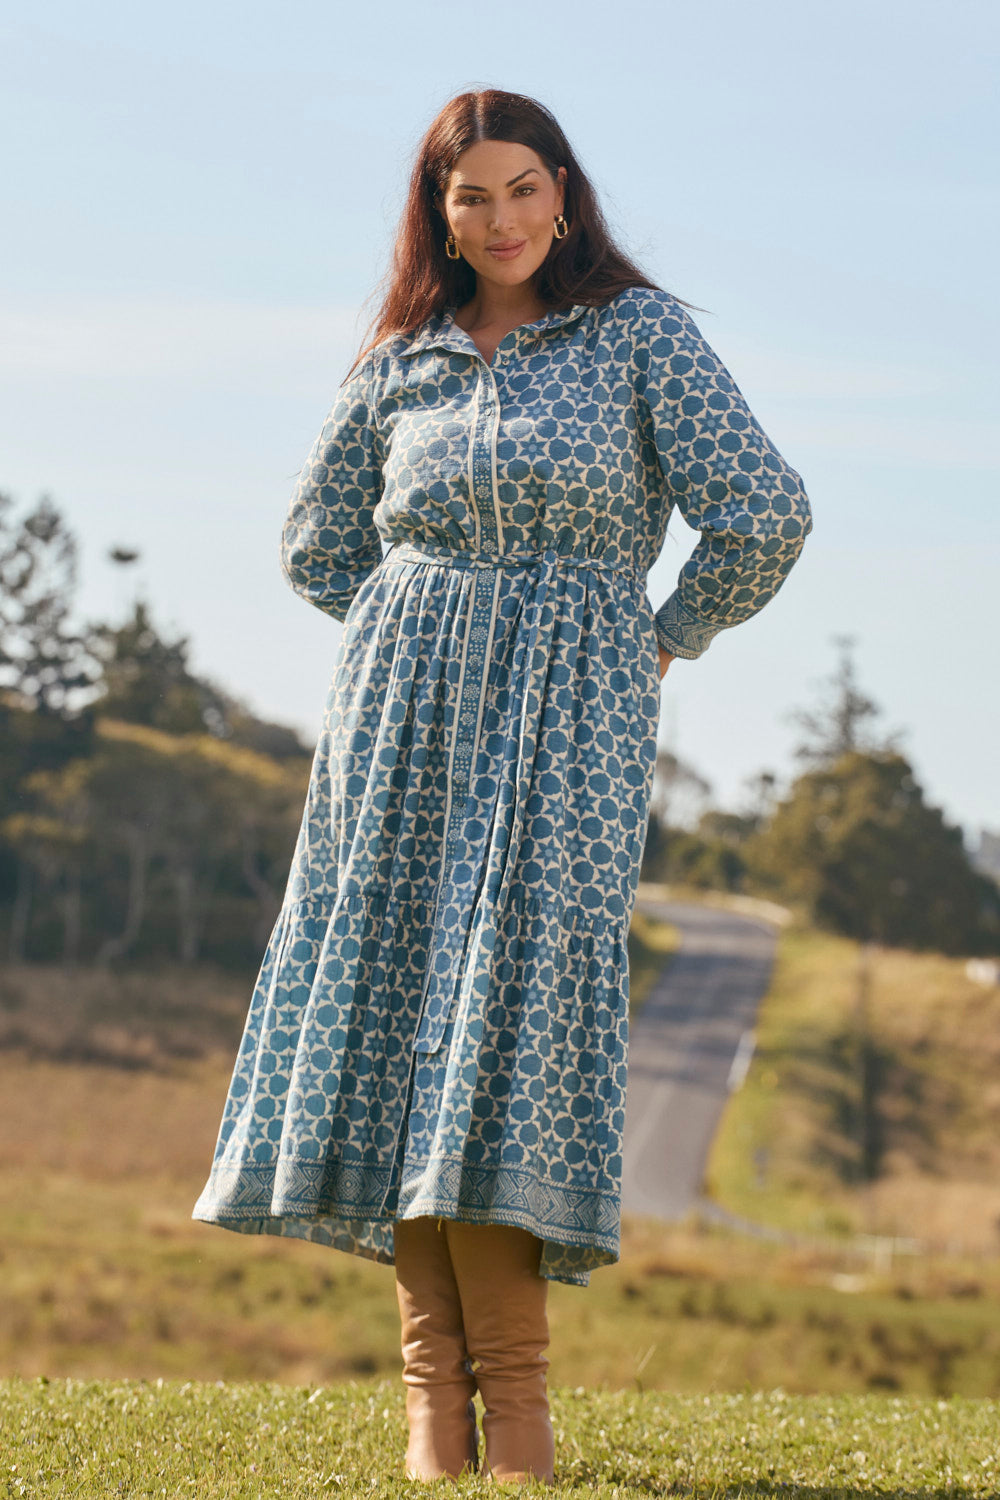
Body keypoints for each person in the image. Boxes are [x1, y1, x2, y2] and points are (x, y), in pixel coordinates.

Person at [192, 87, 813, 1485]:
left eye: (525, 188)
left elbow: (764, 510)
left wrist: (661, 633)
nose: (504, 219)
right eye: (471, 198)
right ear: (441, 214)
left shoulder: (640, 337)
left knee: (506, 1035)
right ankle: (431, 1416)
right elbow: (313, 542)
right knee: (402, 1029)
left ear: (567, 191)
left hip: (569, 728)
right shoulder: (403, 357)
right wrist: (418, 626)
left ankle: (516, 1416)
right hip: (399, 734)